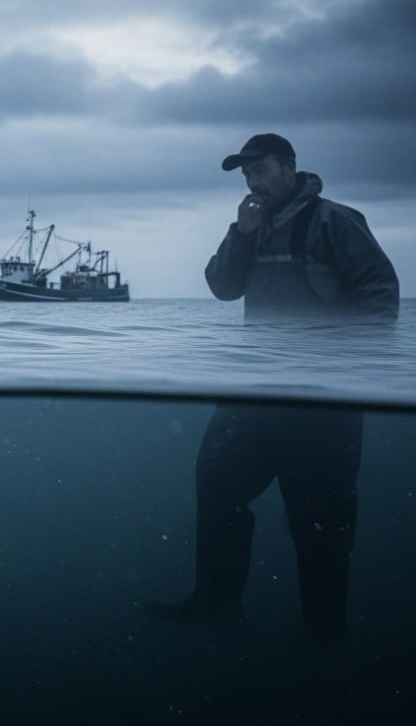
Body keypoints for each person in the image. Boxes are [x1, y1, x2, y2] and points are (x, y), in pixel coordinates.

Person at [148, 133, 399, 646]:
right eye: (246, 176)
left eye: (260, 171)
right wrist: (242, 234)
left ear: (289, 168)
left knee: (320, 522)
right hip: (257, 391)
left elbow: (381, 293)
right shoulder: (250, 226)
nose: (253, 183)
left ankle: (323, 636)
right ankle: (217, 605)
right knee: (216, 482)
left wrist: (357, 372)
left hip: (324, 398)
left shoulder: (336, 220)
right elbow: (222, 288)